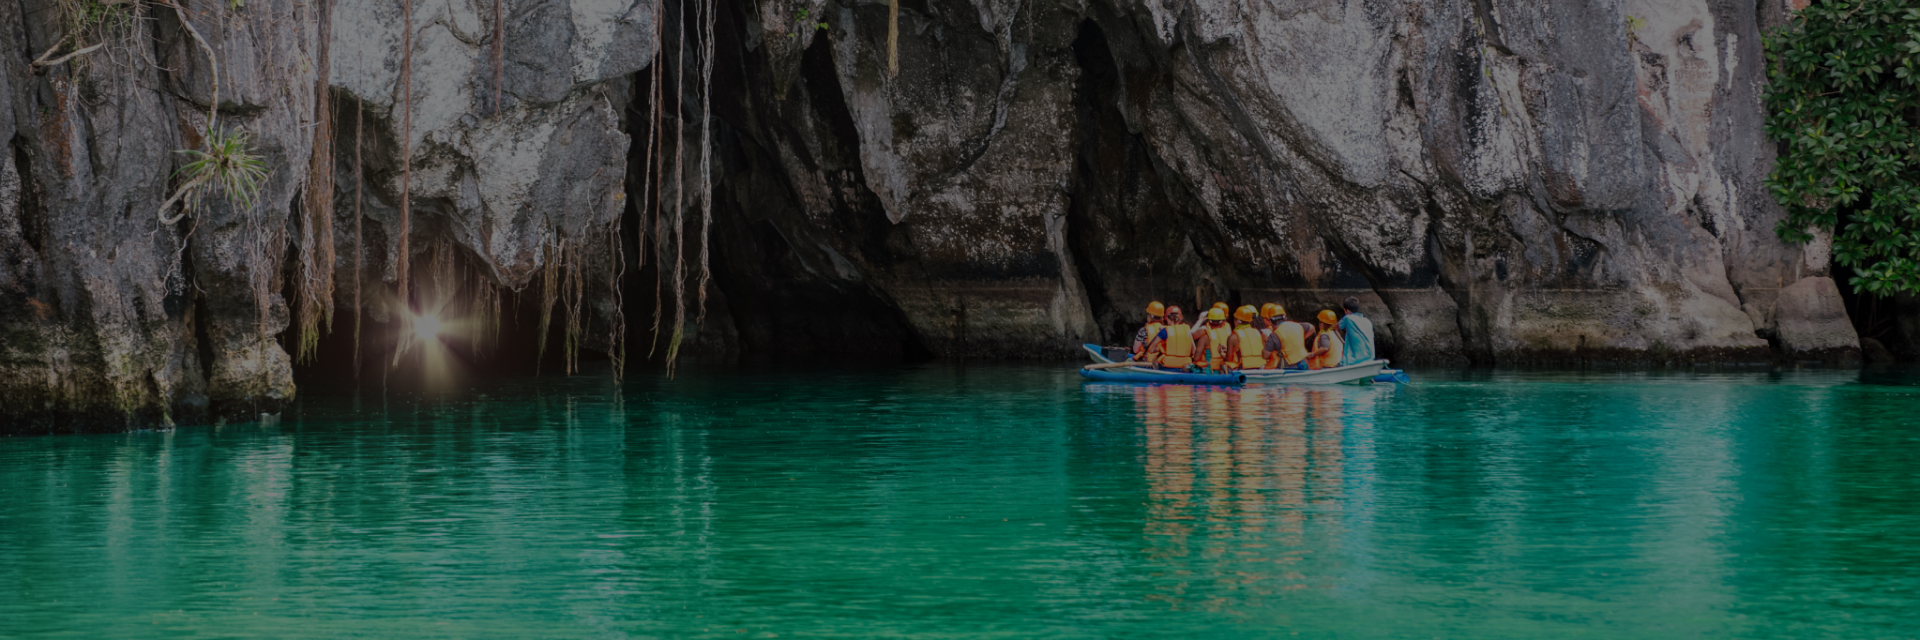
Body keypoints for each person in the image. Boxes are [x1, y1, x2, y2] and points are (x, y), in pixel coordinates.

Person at [1224, 305, 1273, 371]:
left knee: (1223, 365)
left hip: (1244, 368)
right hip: (1261, 366)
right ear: (1250, 321)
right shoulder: (1258, 332)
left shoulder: (1233, 337)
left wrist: (1222, 354)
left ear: (1237, 321)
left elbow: (1229, 359)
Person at [1267, 305, 1312, 370]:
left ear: (1271, 321)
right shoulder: (1297, 325)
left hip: (1288, 366)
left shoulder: (1274, 334)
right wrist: (1300, 338)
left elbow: (1265, 355)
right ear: (1285, 317)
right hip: (1303, 363)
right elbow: (1311, 328)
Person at [1191, 307, 1233, 372]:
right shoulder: (1229, 335)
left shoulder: (1205, 337)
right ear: (1223, 322)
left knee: (1187, 367)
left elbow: (1196, 357)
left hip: (1209, 370)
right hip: (1224, 370)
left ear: (1209, 322)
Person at [1337, 296, 1376, 365]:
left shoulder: (1348, 318)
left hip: (1354, 361)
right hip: (1370, 358)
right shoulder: (1367, 321)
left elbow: (1336, 327)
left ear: (1346, 311)